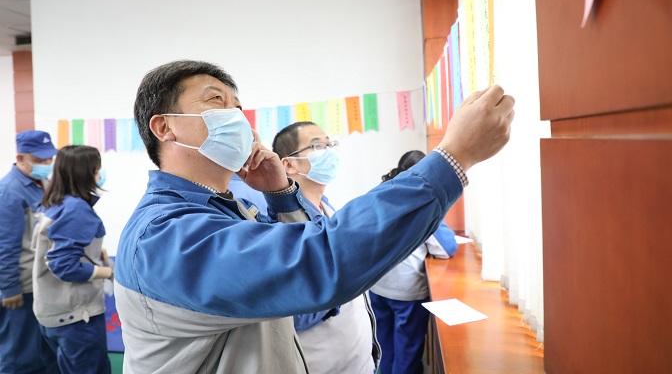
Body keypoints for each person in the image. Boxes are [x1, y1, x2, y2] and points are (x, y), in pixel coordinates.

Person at [114, 59, 514, 373]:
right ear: (164, 127)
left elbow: (303, 264)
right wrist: (452, 159)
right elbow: (317, 262)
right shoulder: (163, 235)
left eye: (238, 106)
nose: (236, 115)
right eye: (216, 100)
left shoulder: (230, 210)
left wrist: (280, 195)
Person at [272, 121, 380, 374]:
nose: (329, 152)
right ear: (288, 165)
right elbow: (290, 315)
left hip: (359, 361)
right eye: (318, 146)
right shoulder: (282, 228)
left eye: (330, 144)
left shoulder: (328, 209)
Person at [370, 150, 459, 374]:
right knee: (407, 352)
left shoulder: (380, 192)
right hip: (406, 291)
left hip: (376, 285)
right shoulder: (424, 200)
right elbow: (445, 248)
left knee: (384, 348)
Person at [32, 145, 112, 374]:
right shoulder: (76, 209)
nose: (100, 174)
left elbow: (54, 245)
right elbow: (62, 264)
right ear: (85, 173)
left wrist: (95, 252)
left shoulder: (54, 202)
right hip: (75, 316)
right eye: (97, 169)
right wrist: (108, 272)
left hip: (52, 312)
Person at [0, 130, 58, 374]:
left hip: (41, 283)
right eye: (39, 159)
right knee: (20, 356)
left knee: (43, 353)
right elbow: (5, 245)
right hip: (21, 288)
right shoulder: (9, 192)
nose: (46, 163)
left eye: (49, 158)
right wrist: (9, 288)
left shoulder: (43, 183)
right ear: (20, 158)